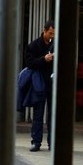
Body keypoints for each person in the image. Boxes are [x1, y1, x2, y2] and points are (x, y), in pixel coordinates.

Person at [25, 19, 55, 152]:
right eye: (50, 33)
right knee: (38, 113)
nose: (51, 36)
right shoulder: (34, 46)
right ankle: (36, 142)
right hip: (39, 84)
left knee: (52, 114)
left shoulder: (56, 44)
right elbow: (29, 63)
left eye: (53, 34)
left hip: (52, 83)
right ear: (44, 30)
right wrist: (44, 59)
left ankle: (52, 142)